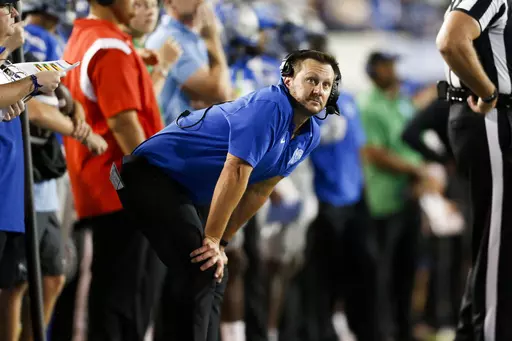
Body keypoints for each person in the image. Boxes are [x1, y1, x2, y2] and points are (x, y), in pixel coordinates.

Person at [111, 49, 341, 341]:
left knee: (216, 270)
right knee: (201, 267)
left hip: (181, 188)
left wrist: (222, 242)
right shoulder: (270, 107)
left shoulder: (310, 133)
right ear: (288, 80)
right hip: (149, 175)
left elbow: (260, 189)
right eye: (311, 80)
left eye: (325, 85)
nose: (318, 90)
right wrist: (211, 239)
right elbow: (236, 171)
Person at [60, 0, 166, 339]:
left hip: (101, 184)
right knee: (125, 298)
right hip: (122, 188)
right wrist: (156, 182)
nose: (142, 4)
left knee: (111, 290)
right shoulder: (110, 47)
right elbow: (124, 125)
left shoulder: (86, 35)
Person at [436, 0, 512, 339]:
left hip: (493, 118)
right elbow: (451, 40)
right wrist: (488, 91)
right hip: (488, 117)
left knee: (493, 240)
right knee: (497, 239)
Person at [145, 0, 232, 124]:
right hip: (177, 139)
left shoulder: (192, 36)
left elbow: (225, 97)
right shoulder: (170, 39)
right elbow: (221, 93)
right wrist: (212, 39)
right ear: (169, 2)